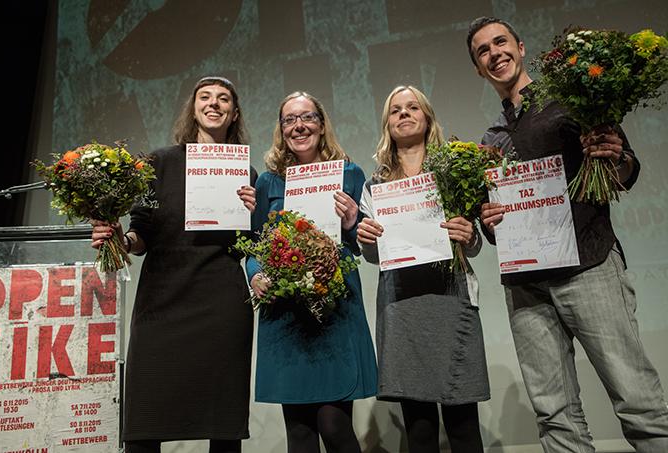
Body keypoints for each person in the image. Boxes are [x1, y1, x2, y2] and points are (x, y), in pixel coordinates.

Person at [467, 16, 668, 452]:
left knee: (637, 401)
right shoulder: (491, 139)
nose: (494, 53)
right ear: (479, 69)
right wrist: (490, 219)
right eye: (483, 51)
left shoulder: (569, 102)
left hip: (589, 267)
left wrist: (615, 156)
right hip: (527, 287)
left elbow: (625, 169)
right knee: (555, 417)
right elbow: (497, 227)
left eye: (500, 42)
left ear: (521, 47)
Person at [91, 76, 257, 453]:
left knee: (223, 428)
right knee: (144, 426)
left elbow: (247, 245)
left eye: (223, 99)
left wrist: (251, 212)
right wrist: (120, 240)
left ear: (234, 113)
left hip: (221, 307)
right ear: (193, 109)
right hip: (161, 304)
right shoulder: (160, 162)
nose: (213, 104)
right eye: (205, 97)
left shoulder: (245, 174)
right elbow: (141, 233)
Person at [356, 85, 489, 453]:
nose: (404, 113)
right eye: (395, 109)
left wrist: (469, 234)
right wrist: (366, 240)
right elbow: (373, 256)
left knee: (463, 426)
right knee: (420, 429)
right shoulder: (375, 185)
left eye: (412, 107)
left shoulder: (453, 172)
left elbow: (474, 244)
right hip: (401, 307)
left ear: (427, 118)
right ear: (387, 124)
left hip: (451, 301)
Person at [247, 91, 377, 453]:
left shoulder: (349, 174)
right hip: (286, 316)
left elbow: (361, 240)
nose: (299, 126)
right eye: (289, 119)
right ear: (281, 129)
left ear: (322, 125)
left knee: (335, 427)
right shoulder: (268, 183)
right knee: (301, 435)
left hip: (334, 310)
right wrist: (255, 274)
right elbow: (255, 245)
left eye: (307, 117)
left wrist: (352, 223)